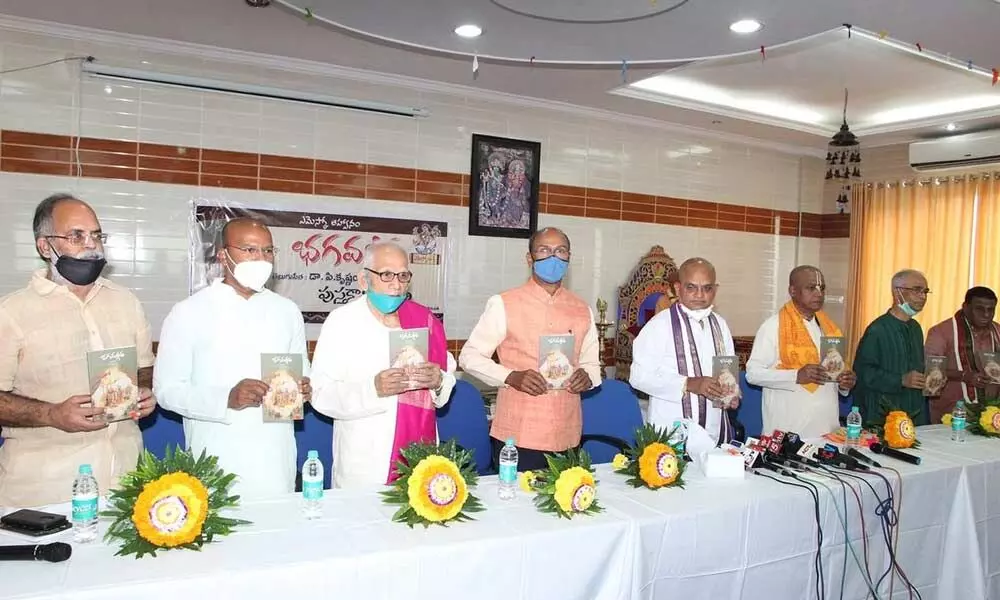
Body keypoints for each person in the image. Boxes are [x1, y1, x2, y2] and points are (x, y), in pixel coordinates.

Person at [0, 194, 156, 507]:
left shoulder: (127, 302)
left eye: (97, 235)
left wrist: (144, 393)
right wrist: (52, 414)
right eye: (76, 236)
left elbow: (143, 370)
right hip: (45, 493)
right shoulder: (12, 312)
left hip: (126, 485)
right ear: (45, 247)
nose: (91, 245)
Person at [154, 217, 310, 499]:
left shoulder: (287, 311)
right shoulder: (188, 312)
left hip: (276, 459)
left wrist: (305, 388)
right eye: (249, 250)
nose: (260, 259)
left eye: (267, 251)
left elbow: (301, 372)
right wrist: (226, 398)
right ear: (222, 255)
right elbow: (167, 391)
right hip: (216, 457)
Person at [310, 242, 456, 489]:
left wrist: (439, 381)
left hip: (420, 453)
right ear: (364, 280)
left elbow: (446, 379)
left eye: (403, 275)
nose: (396, 284)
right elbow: (320, 394)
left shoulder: (424, 320)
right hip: (365, 462)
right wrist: (373, 389)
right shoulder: (342, 322)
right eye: (386, 274)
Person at [459, 227, 600, 471]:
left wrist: (587, 377)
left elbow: (591, 364)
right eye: (544, 250)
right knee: (516, 506)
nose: (553, 258)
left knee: (565, 504)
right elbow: (469, 356)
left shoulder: (582, 309)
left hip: (568, 433)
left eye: (560, 251)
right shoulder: (504, 303)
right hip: (518, 434)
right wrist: (511, 377)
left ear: (569, 258)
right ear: (529, 258)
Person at [630, 258, 738, 446]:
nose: (699, 294)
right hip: (672, 432)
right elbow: (638, 377)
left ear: (716, 290)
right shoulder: (659, 325)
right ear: (678, 288)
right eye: (691, 287)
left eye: (707, 288)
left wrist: (732, 393)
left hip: (714, 429)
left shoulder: (720, 325)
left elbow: (726, 371)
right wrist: (688, 383)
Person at [746, 266, 857, 439]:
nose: (819, 293)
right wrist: (796, 375)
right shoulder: (773, 327)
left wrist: (844, 383)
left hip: (827, 428)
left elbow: (833, 375)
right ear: (793, 291)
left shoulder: (830, 328)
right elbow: (753, 374)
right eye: (811, 288)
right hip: (788, 430)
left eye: (822, 288)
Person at [854, 269, 930, 426]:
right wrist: (900, 380)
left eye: (925, 291)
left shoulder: (915, 328)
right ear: (898, 292)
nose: (922, 297)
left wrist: (930, 379)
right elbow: (864, 373)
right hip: (882, 414)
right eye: (917, 290)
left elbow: (916, 368)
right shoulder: (878, 329)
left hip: (913, 412)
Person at [924, 287, 1000, 423]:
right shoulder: (941, 332)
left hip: (992, 415)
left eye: (991, 309)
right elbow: (931, 372)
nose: (986, 314)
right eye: (979, 309)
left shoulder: (998, 332)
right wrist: (965, 376)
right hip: (951, 414)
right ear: (965, 307)